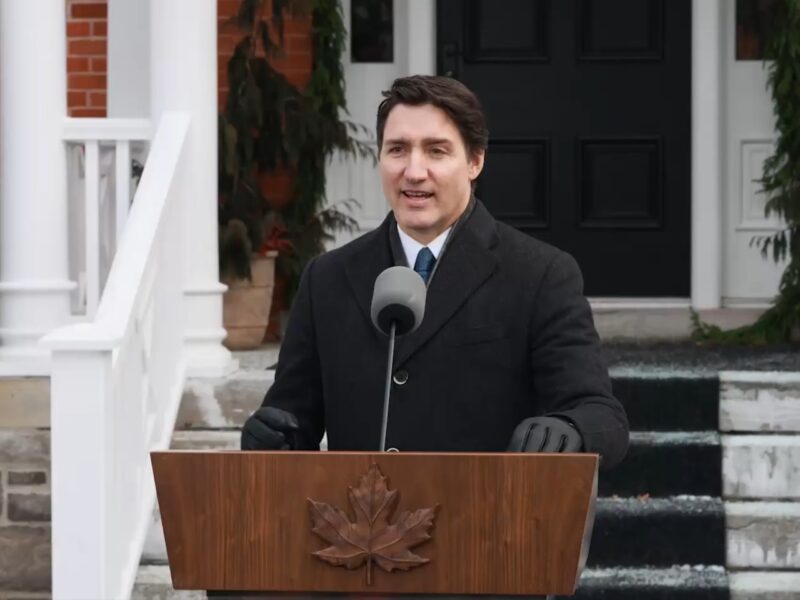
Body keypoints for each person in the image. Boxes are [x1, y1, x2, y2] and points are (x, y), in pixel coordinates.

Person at [241, 75, 629, 468]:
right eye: (397, 150)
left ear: (475, 160)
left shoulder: (542, 274)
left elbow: (602, 417)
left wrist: (570, 427)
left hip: (488, 520)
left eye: (436, 151)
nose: (413, 171)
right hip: (360, 524)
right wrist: (270, 438)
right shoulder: (326, 278)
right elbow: (292, 421)